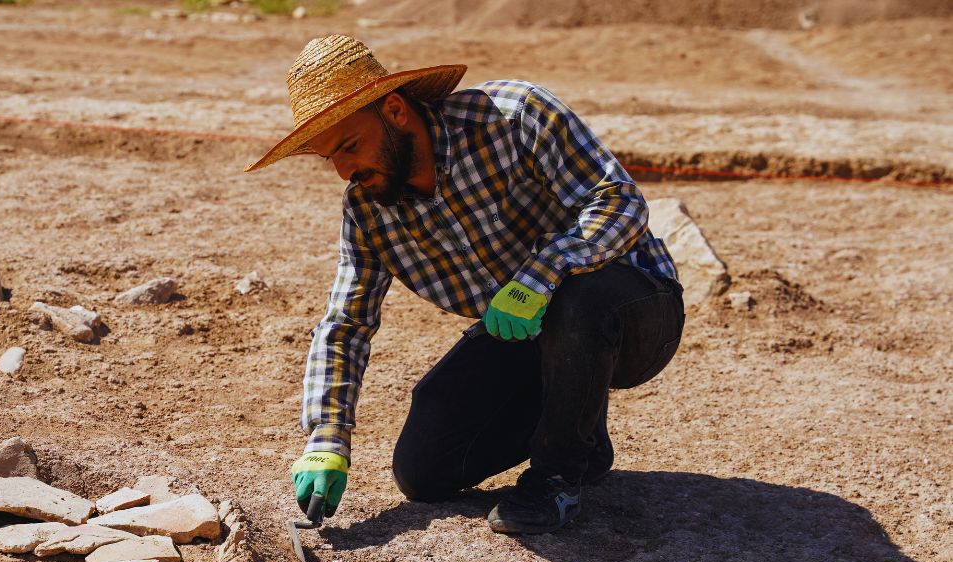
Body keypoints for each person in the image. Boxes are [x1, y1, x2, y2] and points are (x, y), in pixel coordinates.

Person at [246, 35, 684, 533]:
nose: (346, 169)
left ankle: (558, 477)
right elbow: (346, 323)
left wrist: (538, 277)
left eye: (350, 145)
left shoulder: (515, 115)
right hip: (532, 336)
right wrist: (327, 435)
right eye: (331, 158)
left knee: (577, 301)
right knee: (424, 470)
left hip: (636, 309)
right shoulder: (367, 210)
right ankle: (582, 435)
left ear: (394, 110)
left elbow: (619, 201)